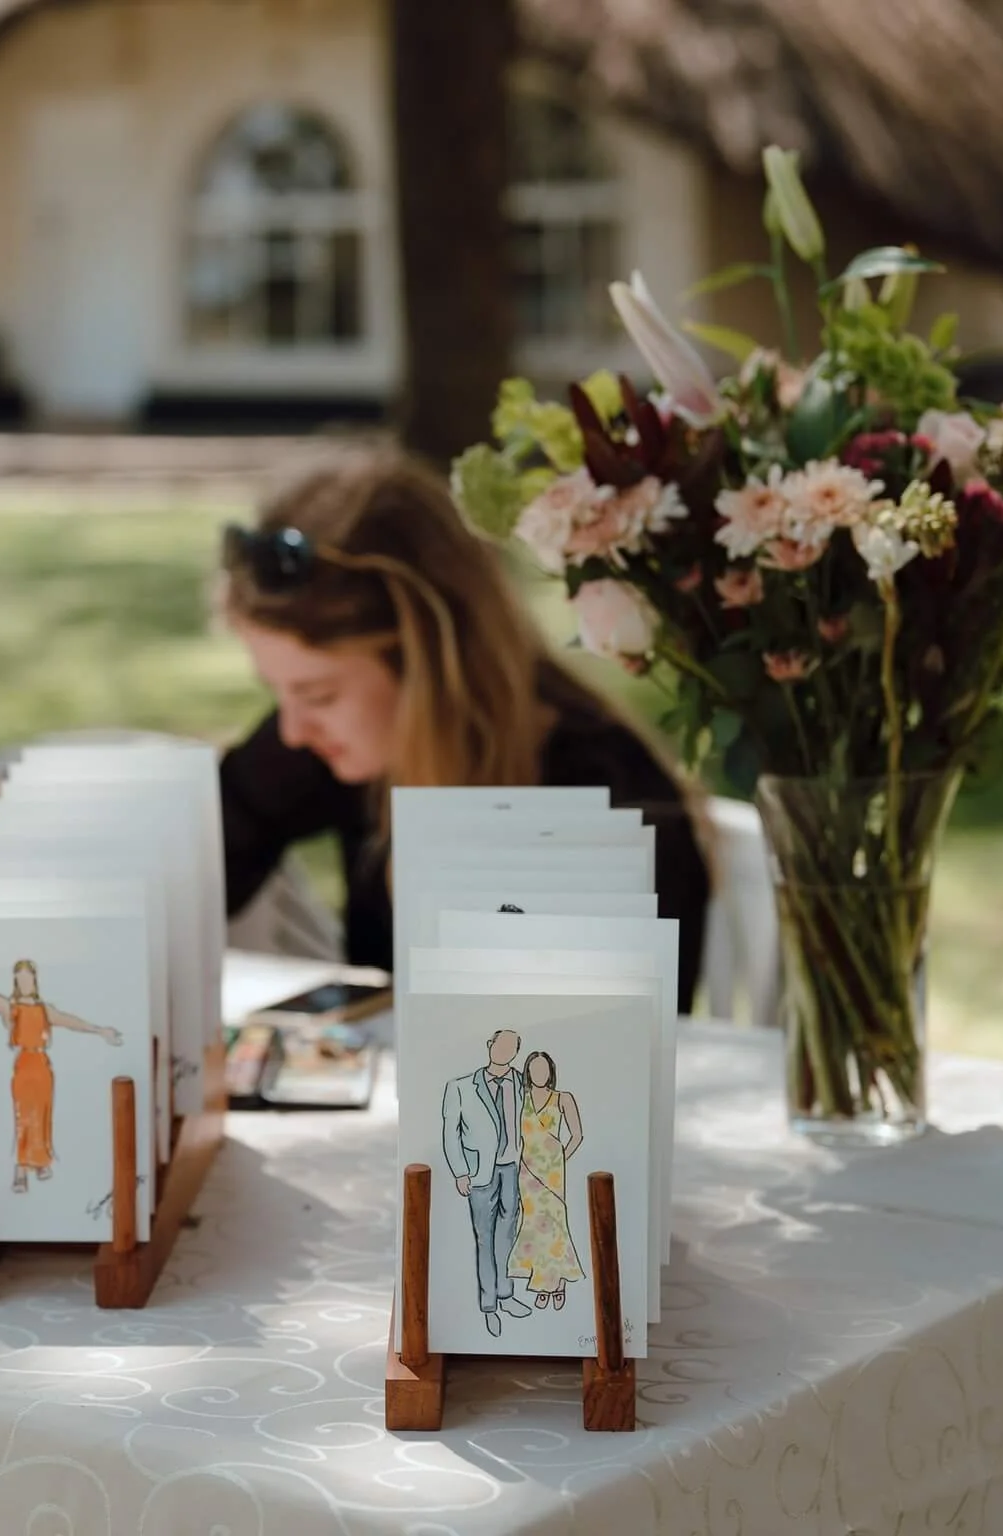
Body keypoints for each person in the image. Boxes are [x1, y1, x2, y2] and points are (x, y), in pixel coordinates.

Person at [215, 449, 711, 1009]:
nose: (292, 731)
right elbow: (200, 865)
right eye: (277, 691)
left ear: (429, 666)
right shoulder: (337, 747)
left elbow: (624, 1056)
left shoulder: (604, 798)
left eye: (318, 695)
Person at [0, 942, 125, 1192]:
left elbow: (70, 1021)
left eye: (29, 978)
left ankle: (41, 1160)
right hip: (23, 1065)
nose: (25, 983)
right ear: (15, 981)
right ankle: (22, 1168)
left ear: (34, 980)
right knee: (24, 1115)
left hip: (43, 1065)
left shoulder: (45, 1009)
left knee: (43, 1114)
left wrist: (101, 1031)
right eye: (20, 978)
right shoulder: (10, 1008)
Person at [441, 1029, 531, 1339]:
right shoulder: (461, 1087)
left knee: (508, 1234)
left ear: (517, 1052)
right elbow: (450, 1132)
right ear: (489, 1046)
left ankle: (506, 1294)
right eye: (500, 1044)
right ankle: (489, 1305)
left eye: (511, 1047)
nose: (504, 1050)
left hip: (514, 1169)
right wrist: (460, 1171)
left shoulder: (522, 1083)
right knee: (485, 1238)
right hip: (481, 1173)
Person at [508, 1049, 585, 1311]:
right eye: (534, 1069)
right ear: (528, 1072)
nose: (539, 1073)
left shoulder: (563, 1098)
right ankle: (542, 1283)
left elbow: (577, 1135)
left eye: (544, 1069)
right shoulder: (522, 1099)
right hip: (527, 1170)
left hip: (552, 1172)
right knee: (533, 1225)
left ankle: (557, 1283)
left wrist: (561, 1157)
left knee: (555, 1226)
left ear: (551, 1071)